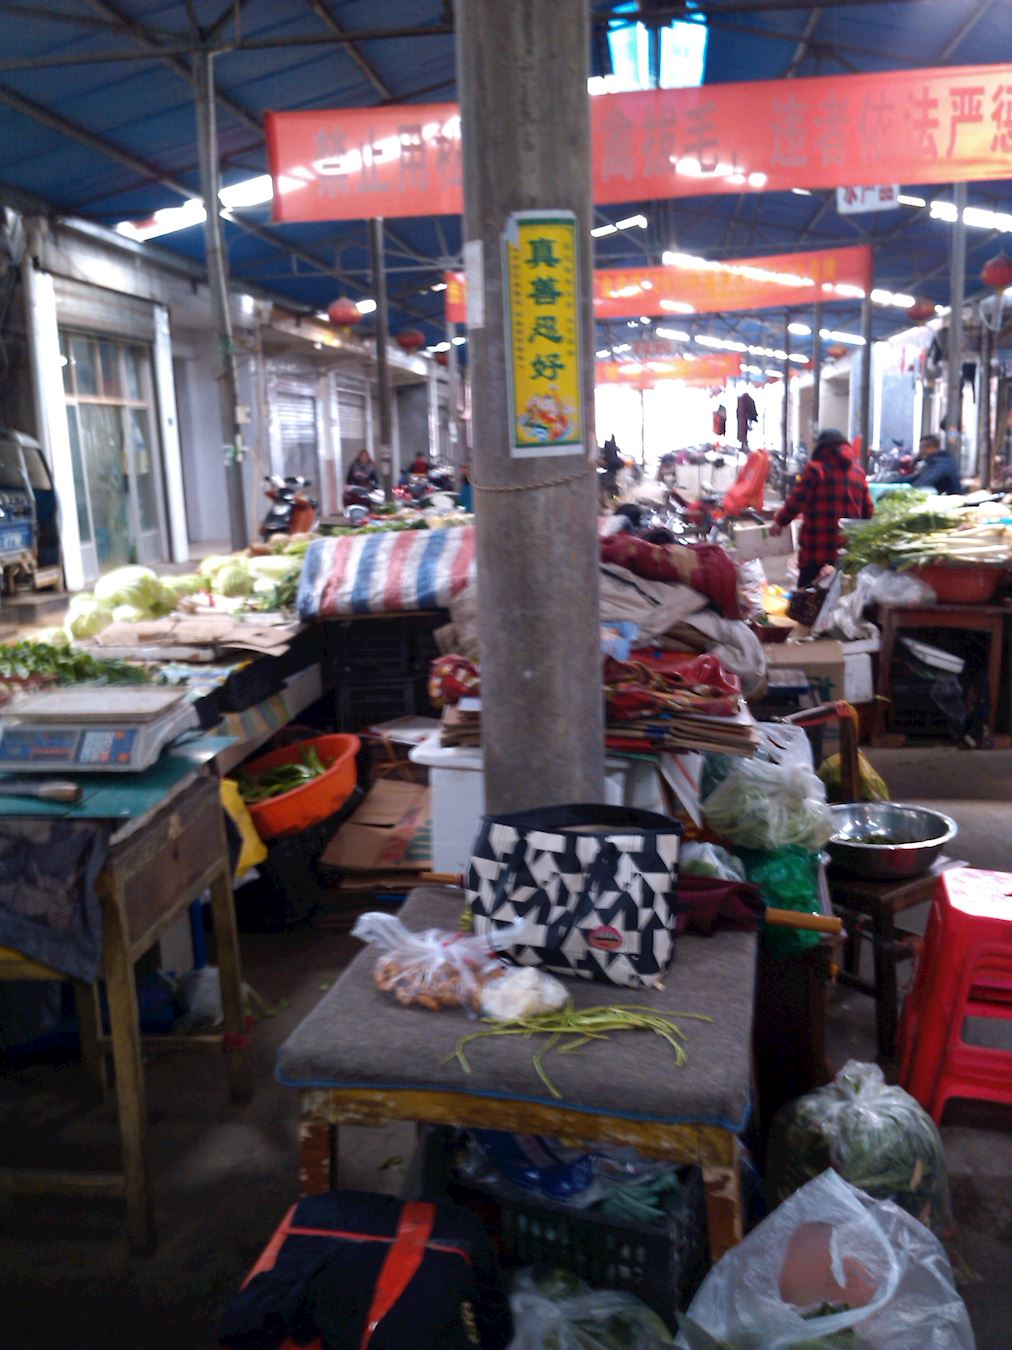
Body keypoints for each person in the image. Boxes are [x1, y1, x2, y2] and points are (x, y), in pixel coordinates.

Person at [771, 428, 873, 588]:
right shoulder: (858, 472)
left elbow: (797, 501)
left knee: (807, 595)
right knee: (842, 595)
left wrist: (780, 522)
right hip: (848, 552)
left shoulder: (816, 469)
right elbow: (869, 511)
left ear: (821, 447)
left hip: (816, 550)